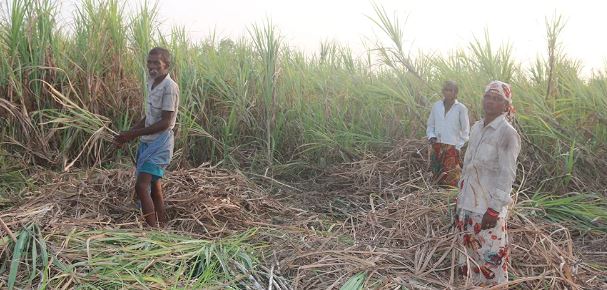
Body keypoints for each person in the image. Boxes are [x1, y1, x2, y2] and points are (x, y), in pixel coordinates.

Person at [455, 80, 521, 287]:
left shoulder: (507, 133)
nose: (491, 102)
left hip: (486, 211)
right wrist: (459, 202)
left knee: (491, 261)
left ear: (505, 105)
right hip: (466, 206)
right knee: (468, 259)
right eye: (488, 97)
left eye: (497, 99)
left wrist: (493, 210)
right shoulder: (476, 128)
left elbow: (507, 174)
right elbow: (468, 168)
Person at [114, 47, 179, 228]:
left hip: (161, 143)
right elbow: (150, 118)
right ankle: (161, 222)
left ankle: (152, 231)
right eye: (149, 62)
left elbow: (165, 122)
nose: (152, 66)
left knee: (141, 186)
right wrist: (128, 135)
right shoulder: (151, 82)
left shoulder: (170, 87)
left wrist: (133, 134)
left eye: (156, 63)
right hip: (148, 142)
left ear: (166, 64)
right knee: (155, 185)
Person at [426, 80, 470, 187]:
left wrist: (457, 147)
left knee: (452, 179)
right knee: (436, 176)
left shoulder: (461, 109)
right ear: (443, 91)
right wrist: (431, 136)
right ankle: (436, 199)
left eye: (451, 90)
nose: (448, 92)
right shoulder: (436, 106)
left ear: (456, 93)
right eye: (446, 90)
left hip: (452, 148)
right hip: (436, 146)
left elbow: (466, 131)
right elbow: (430, 125)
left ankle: (449, 200)